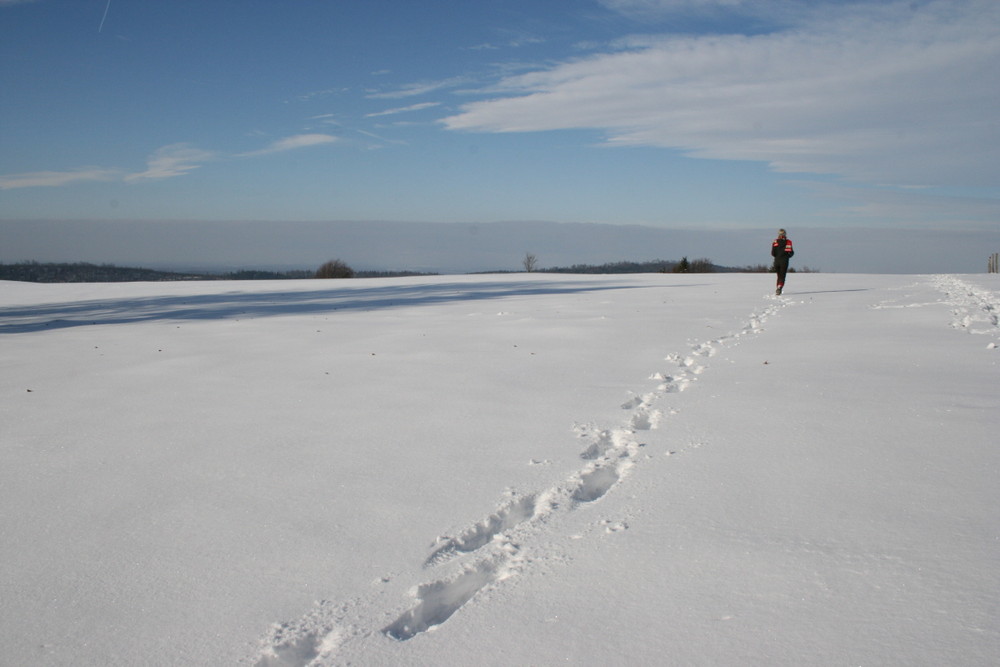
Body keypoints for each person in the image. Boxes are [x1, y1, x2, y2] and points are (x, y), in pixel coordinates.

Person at [771, 229, 794, 295]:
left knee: (779, 276)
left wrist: (777, 256)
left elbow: (773, 253)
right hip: (784, 261)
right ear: (785, 234)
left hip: (777, 261)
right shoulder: (788, 242)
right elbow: (791, 252)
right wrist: (787, 256)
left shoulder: (775, 242)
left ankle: (778, 287)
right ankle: (779, 287)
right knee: (782, 276)